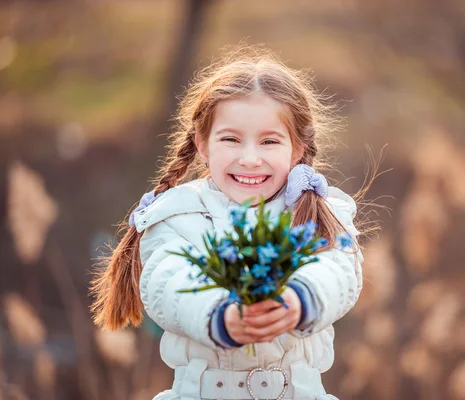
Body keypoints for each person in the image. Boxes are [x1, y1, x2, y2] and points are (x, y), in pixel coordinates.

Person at [90, 46, 371, 400]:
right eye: (231, 140)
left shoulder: (319, 211)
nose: (250, 159)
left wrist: (299, 300)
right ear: (203, 145)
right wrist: (221, 316)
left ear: (297, 147)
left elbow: (336, 270)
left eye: (269, 141)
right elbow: (167, 282)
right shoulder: (177, 214)